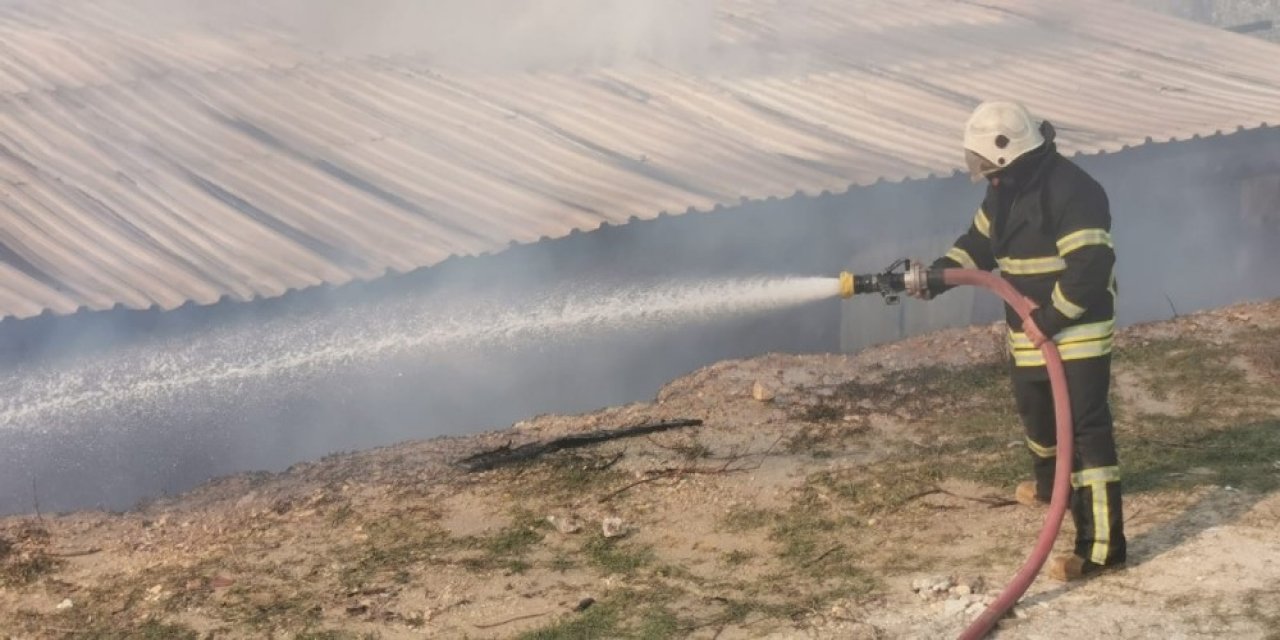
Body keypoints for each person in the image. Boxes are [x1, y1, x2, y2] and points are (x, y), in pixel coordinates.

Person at [909, 101, 1126, 581]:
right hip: (1029, 326)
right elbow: (978, 244)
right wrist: (938, 275)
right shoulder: (1003, 190)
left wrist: (1050, 318)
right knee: (1037, 415)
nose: (982, 175)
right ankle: (1053, 491)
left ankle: (1103, 546)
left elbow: (1091, 269)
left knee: (1085, 430)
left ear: (1009, 155)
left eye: (986, 165)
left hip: (1076, 327)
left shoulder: (1074, 191)